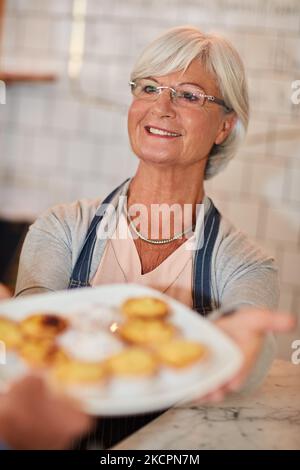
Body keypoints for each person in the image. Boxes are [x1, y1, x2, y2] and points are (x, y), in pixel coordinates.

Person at [14, 26, 295, 446]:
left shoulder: (246, 263)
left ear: (225, 126)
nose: (160, 107)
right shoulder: (61, 227)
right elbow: (31, 329)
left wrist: (235, 352)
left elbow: (248, 341)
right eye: (149, 87)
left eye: (189, 95)